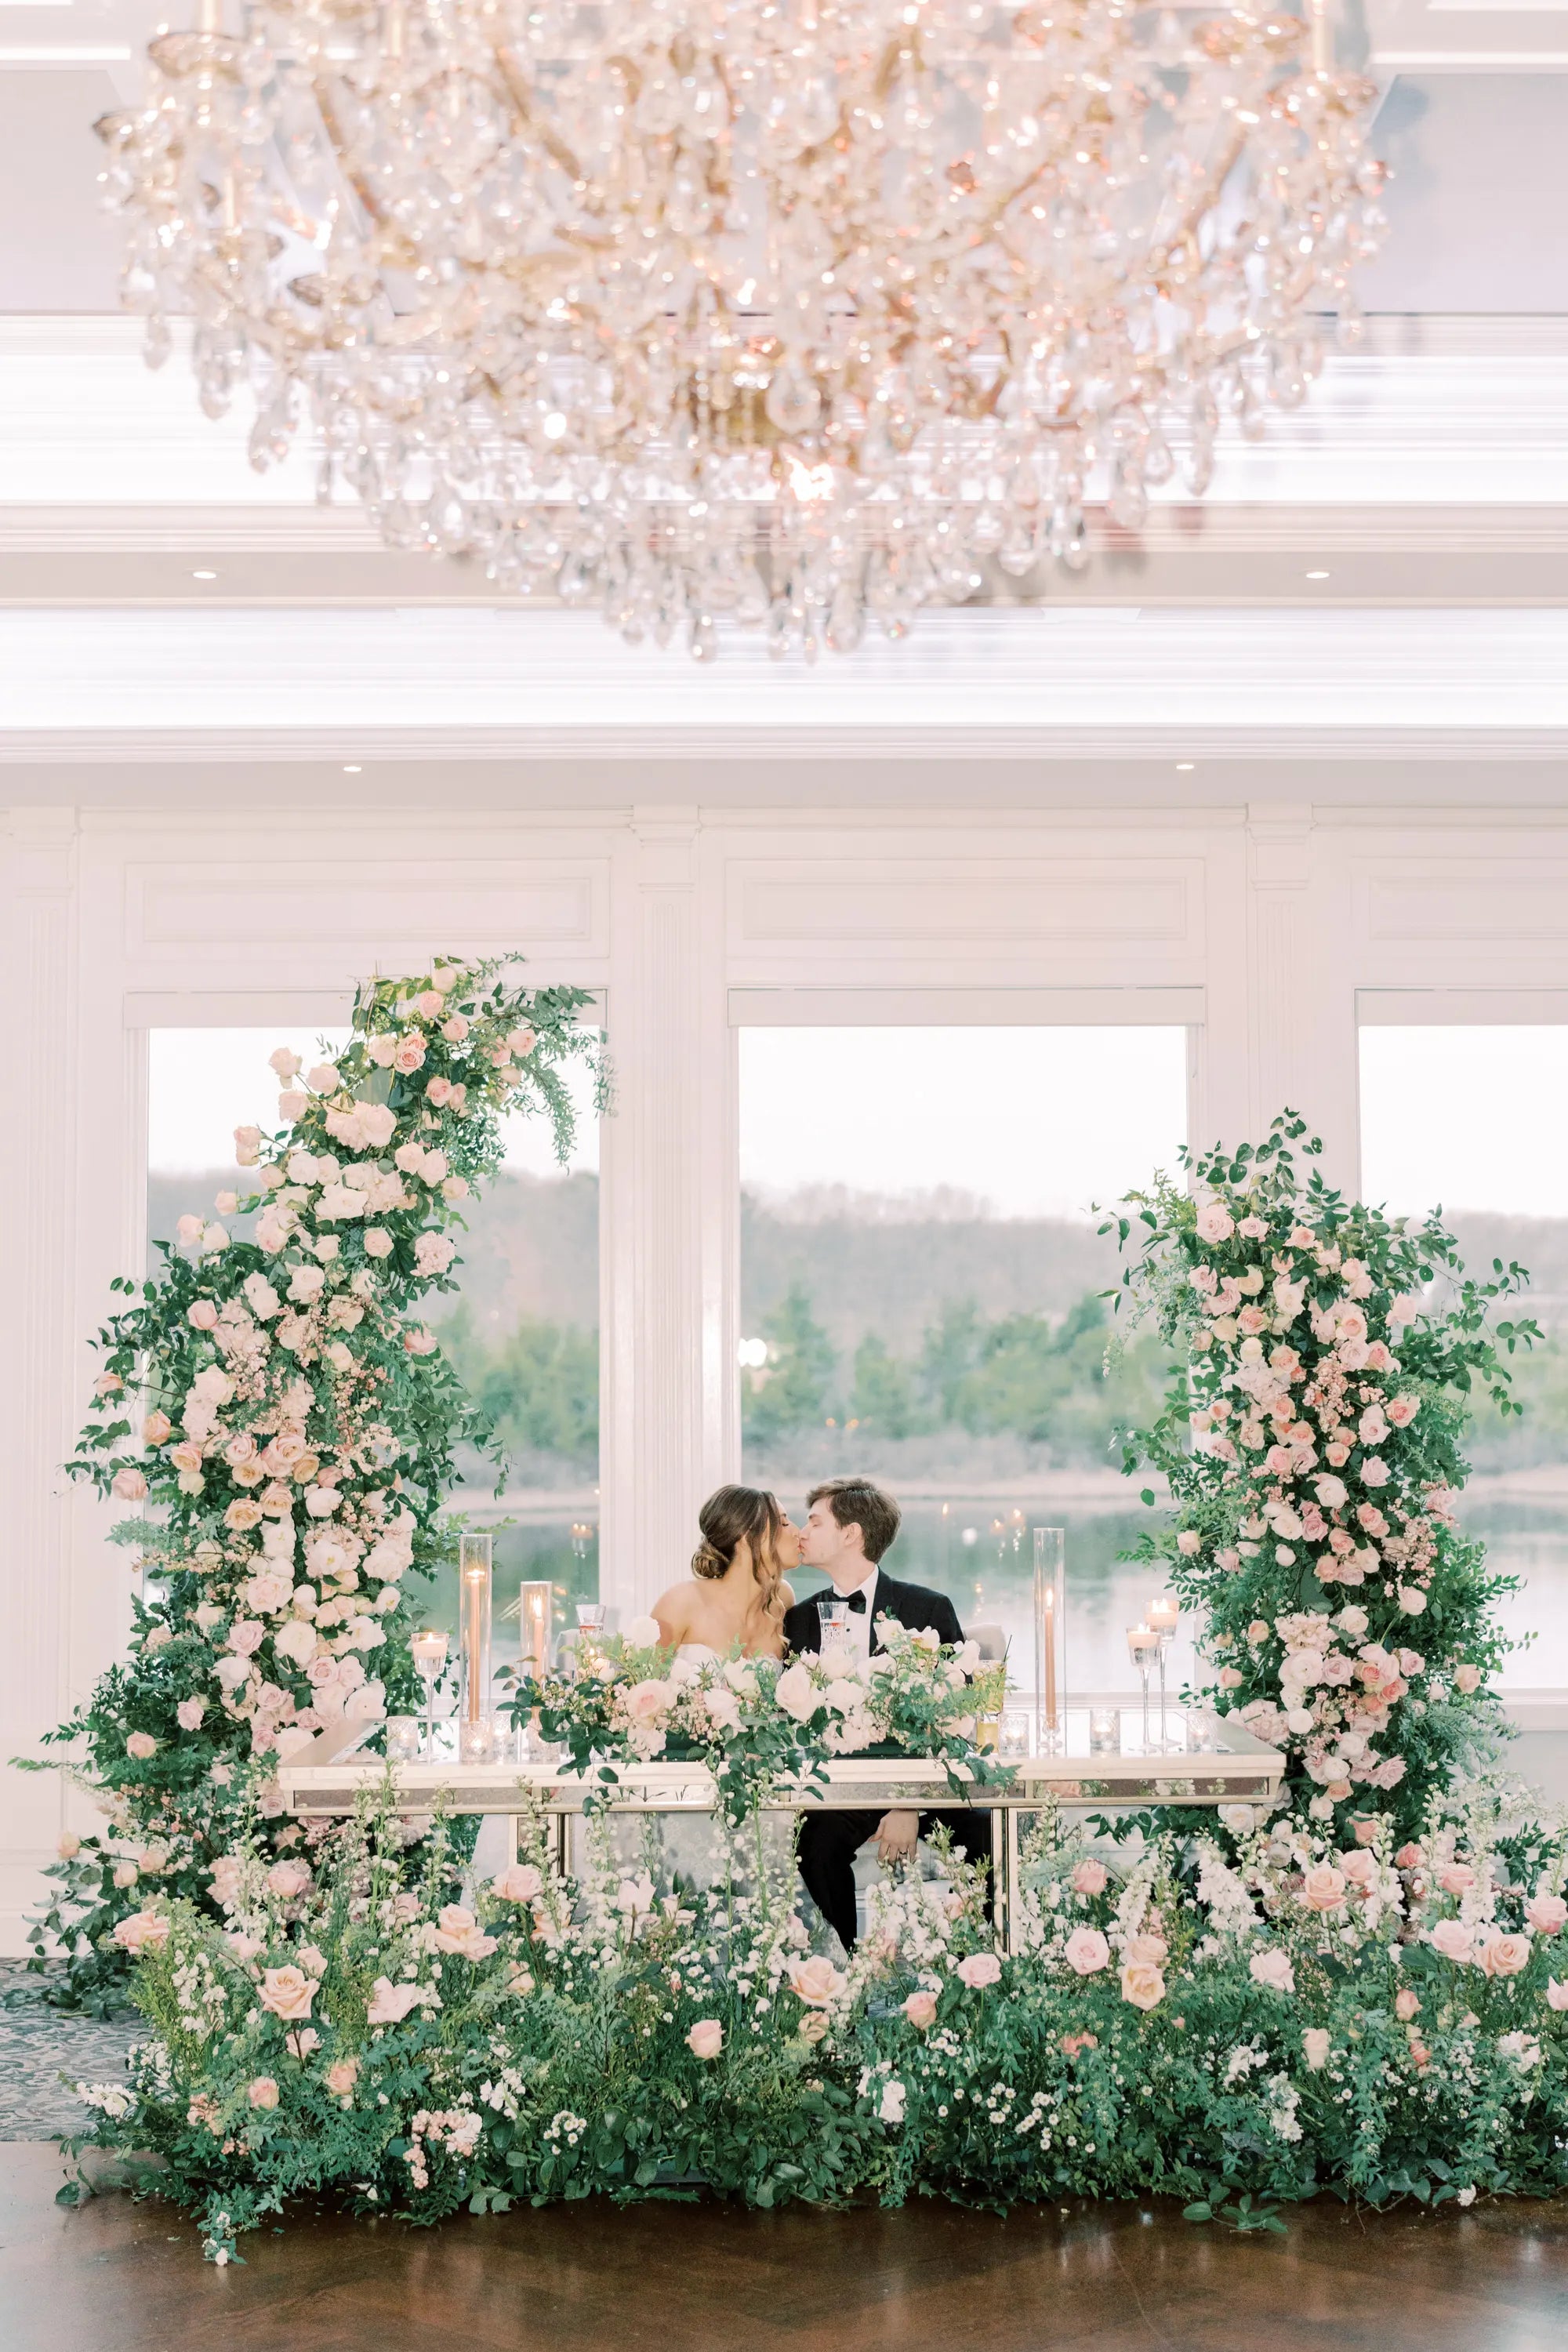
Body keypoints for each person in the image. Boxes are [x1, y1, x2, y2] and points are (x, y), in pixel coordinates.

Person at [782, 1475, 989, 1952]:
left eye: (815, 1522)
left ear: (851, 1534)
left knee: (984, 1832)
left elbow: (957, 1718)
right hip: (842, 1789)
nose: (803, 1533)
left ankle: (976, 1966)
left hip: (924, 1783)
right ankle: (845, 1973)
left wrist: (907, 1802)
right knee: (813, 1843)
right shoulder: (799, 1620)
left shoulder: (928, 1609)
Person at [650, 1483, 800, 1660]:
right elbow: (641, 1675)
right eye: (783, 1523)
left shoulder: (782, 1599)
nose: (797, 1532)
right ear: (745, 1536)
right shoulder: (682, 1602)